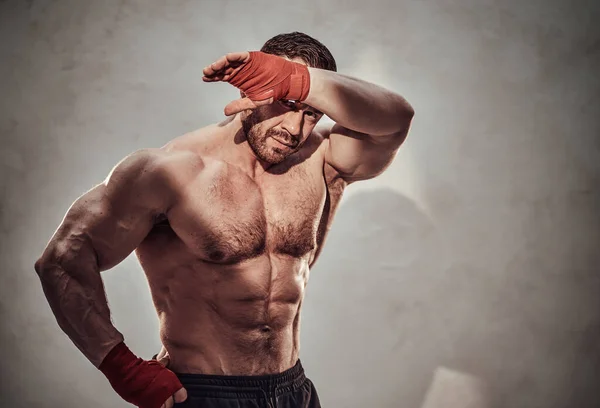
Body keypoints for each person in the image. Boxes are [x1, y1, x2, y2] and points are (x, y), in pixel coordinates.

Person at [34, 32, 414, 408]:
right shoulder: (172, 172)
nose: (295, 130)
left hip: (293, 390)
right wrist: (123, 369)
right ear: (250, 93)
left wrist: (297, 84)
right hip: (203, 392)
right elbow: (63, 260)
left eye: (311, 113)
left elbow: (397, 119)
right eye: (286, 104)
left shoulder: (324, 161)